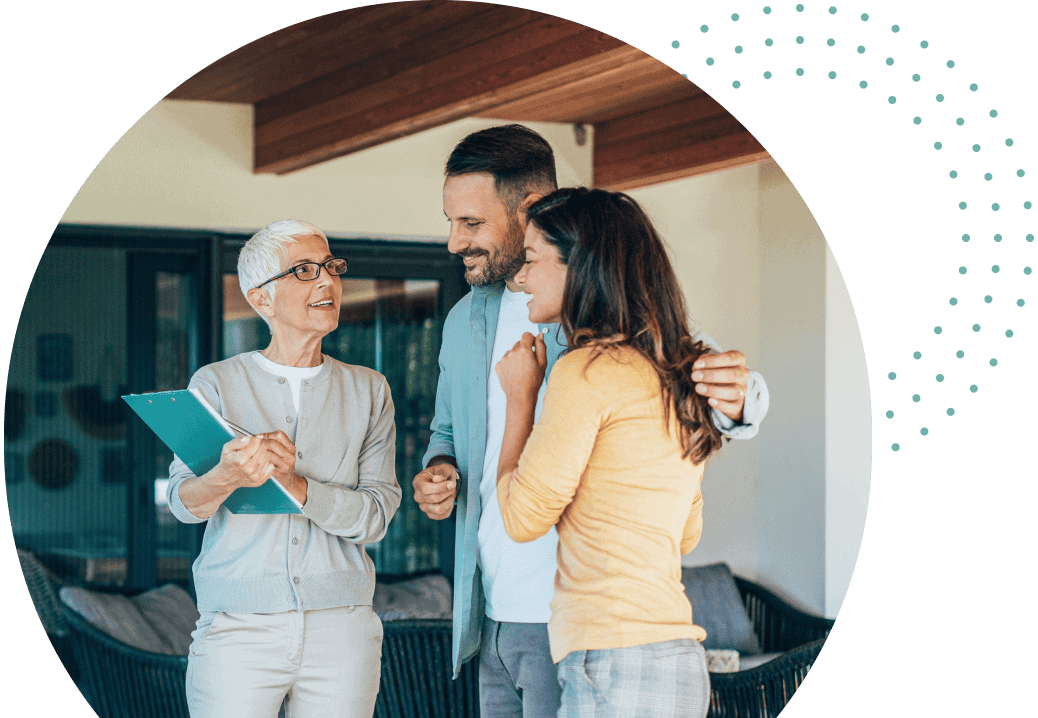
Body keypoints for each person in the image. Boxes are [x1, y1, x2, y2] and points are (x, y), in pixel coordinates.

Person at [412, 124, 769, 718]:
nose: (454, 243)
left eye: (470, 224)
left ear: (529, 211)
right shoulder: (461, 322)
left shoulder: (602, 321)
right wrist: (438, 468)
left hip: (573, 623)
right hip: (490, 617)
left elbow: (708, 377)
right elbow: (447, 431)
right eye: (452, 222)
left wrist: (739, 403)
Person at [495, 187, 721, 718]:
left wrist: (520, 400)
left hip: (613, 660)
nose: (522, 277)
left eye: (531, 260)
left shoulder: (586, 371)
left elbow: (523, 517)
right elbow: (687, 533)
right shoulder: (678, 377)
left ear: (580, 267)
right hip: (681, 661)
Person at [166, 219, 401, 718]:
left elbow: (377, 516)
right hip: (238, 628)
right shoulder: (216, 384)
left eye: (331, 267)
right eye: (304, 271)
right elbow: (183, 504)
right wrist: (226, 474)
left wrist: (296, 485)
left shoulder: (370, 389)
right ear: (261, 300)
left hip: (342, 629)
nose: (327, 282)